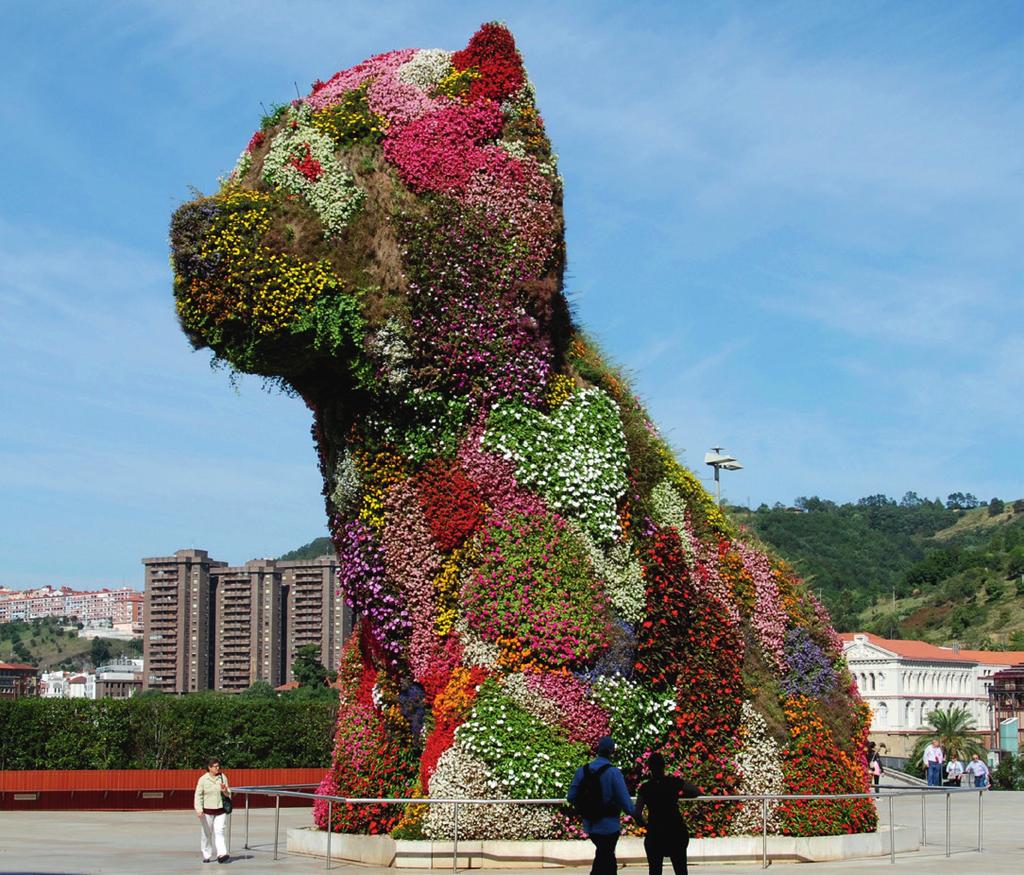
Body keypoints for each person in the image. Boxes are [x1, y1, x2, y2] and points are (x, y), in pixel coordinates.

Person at [567, 736, 634, 875]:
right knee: (607, 860)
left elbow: (571, 796)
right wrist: (637, 816)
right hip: (609, 825)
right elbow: (626, 802)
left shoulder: (583, 771)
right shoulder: (613, 772)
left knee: (604, 857)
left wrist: (585, 807)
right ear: (612, 751)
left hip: (590, 824)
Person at [633, 752, 700, 875]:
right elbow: (695, 791)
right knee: (681, 870)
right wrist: (680, 795)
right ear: (663, 766)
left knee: (654, 870)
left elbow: (637, 813)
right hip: (675, 831)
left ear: (650, 768)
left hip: (656, 833)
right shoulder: (673, 782)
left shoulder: (645, 788)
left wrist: (646, 825)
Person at [194, 758, 232, 864]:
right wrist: (198, 809)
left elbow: (228, 793)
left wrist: (225, 791)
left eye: (218, 766)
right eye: (215, 766)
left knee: (219, 831)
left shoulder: (222, 777)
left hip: (221, 810)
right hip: (207, 811)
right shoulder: (203, 779)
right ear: (209, 768)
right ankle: (206, 854)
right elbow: (198, 795)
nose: (218, 768)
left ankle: (222, 854)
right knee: (207, 833)